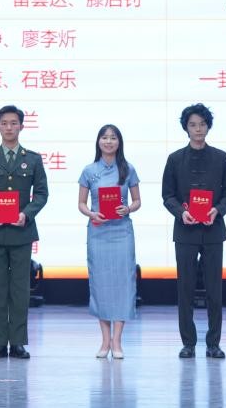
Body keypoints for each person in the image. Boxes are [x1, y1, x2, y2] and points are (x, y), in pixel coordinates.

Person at [0, 104, 49, 360]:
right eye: (4, 123)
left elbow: (42, 193)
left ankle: (18, 342)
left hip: (22, 232)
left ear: (22, 126)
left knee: (20, 290)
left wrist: (26, 214)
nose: (9, 127)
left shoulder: (33, 158)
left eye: (14, 123)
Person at [161, 102, 226, 359]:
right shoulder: (175, 159)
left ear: (208, 126)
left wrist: (217, 210)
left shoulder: (221, 158)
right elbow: (167, 195)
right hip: (186, 230)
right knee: (185, 289)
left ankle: (213, 343)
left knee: (215, 290)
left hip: (213, 230)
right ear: (186, 128)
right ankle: (188, 343)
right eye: (193, 125)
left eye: (202, 124)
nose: (198, 129)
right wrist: (181, 212)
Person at [77, 124, 142, 360]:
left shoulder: (128, 169)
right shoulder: (89, 171)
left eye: (113, 138)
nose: (108, 141)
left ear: (119, 142)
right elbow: (81, 204)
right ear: (98, 142)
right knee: (101, 284)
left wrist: (128, 208)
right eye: (104, 137)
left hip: (122, 232)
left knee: (124, 283)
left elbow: (137, 201)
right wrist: (91, 213)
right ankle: (105, 340)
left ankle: (117, 340)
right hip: (98, 232)